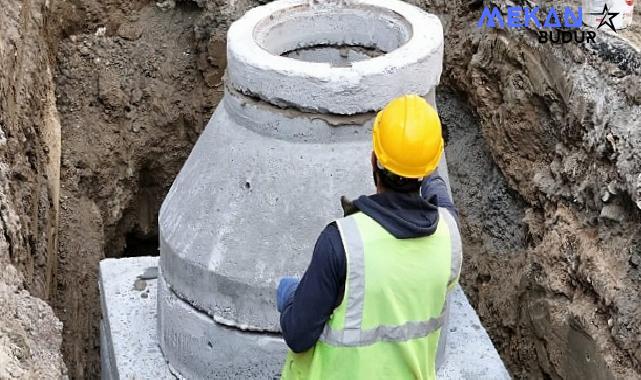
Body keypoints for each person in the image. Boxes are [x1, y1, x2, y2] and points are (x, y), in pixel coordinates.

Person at [276, 95, 462, 380]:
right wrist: (427, 172)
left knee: (287, 289)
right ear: (428, 169)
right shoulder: (449, 240)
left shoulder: (342, 243)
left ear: (374, 159)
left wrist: (290, 295)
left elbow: (297, 335)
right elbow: (442, 203)